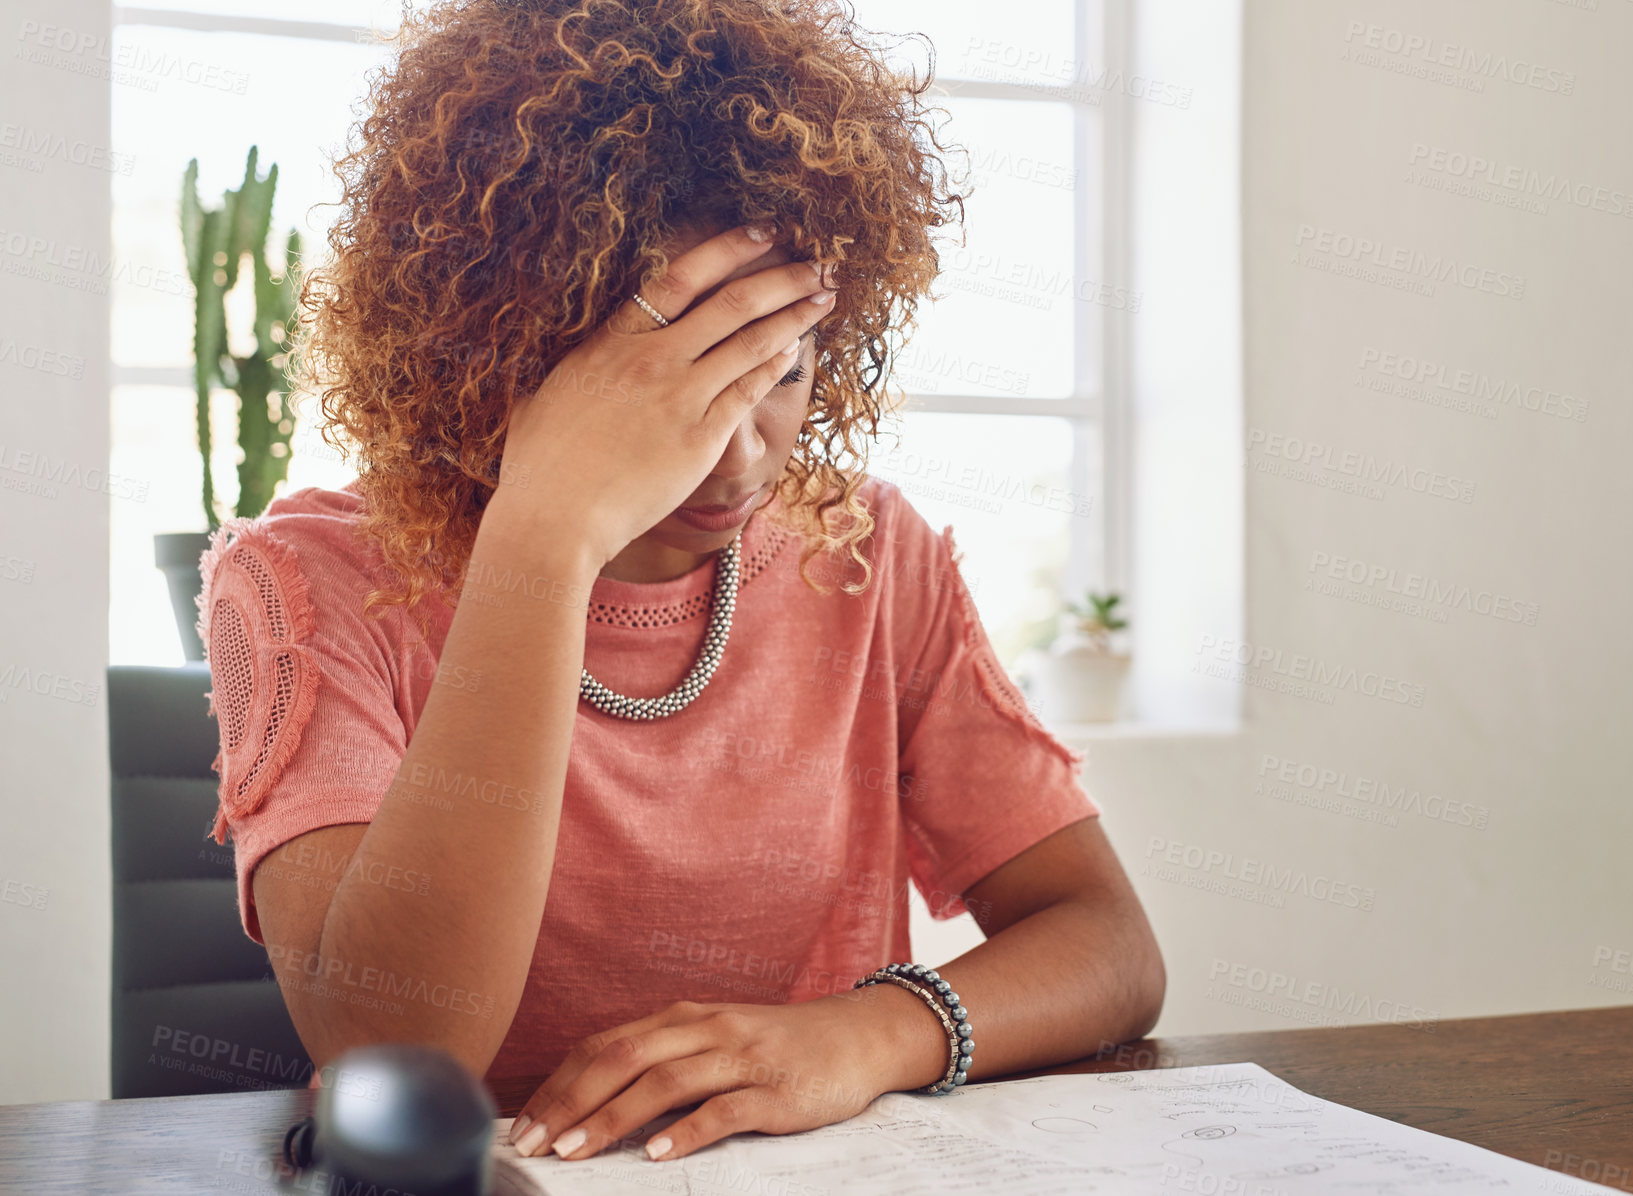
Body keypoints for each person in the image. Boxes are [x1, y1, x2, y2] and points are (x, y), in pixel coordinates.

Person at [196, 0, 1165, 1165]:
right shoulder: (309, 580)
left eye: (778, 370)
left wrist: (865, 1034)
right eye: (667, 391)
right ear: (492, 359)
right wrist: (545, 535)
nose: (741, 456)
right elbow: (400, 1050)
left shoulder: (861, 552)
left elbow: (1107, 945)